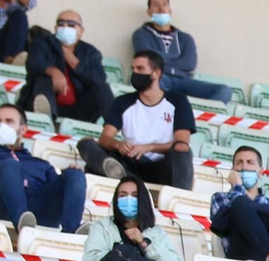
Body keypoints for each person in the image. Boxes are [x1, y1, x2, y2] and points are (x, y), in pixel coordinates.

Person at [77, 49, 194, 190]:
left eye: (140, 68)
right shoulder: (122, 102)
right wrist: (118, 145)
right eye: (133, 69)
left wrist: (148, 148)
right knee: (85, 143)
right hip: (129, 161)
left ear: (156, 73)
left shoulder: (178, 101)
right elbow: (105, 138)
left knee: (182, 150)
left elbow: (182, 143)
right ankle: (118, 173)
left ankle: (181, 195)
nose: (135, 73)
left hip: (162, 166)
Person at [0, 103, 85, 234]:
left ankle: (72, 231)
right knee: (10, 165)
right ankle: (22, 222)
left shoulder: (41, 164)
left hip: (40, 211)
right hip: (2, 208)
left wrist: (68, 175)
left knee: (75, 174)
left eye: (9, 121)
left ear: (23, 130)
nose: (2, 126)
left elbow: (56, 190)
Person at [130, 0, 230, 104]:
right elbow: (146, 60)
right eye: (156, 5)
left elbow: (189, 64)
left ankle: (193, 116)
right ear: (149, 11)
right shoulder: (141, 34)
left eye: (164, 4)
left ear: (170, 10)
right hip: (159, 78)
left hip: (183, 80)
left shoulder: (185, 38)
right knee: (151, 84)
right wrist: (176, 58)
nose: (161, 8)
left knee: (224, 90)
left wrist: (160, 59)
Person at [21, 10, 110, 122]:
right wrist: (53, 71)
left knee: (103, 88)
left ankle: (115, 127)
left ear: (81, 31)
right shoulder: (42, 43)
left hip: (79, 109)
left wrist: (66, 53)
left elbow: (99, 79)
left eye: (71, 25)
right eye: (61, 24)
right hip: (45, 103)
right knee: (43, 78)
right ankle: (46, 119)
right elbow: (33, 63)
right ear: (55, 28)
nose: (65, 27)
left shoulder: (91, 52)